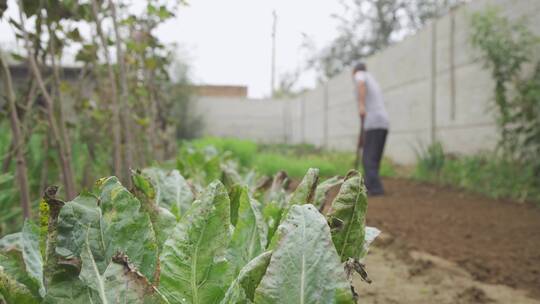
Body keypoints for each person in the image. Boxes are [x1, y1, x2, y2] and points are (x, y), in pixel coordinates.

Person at [353, 62, 389, 196]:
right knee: (374, 158)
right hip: (383, 123)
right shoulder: (373, 80)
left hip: (373, 122)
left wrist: (361, 105)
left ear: (355, 71)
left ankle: (375, 188)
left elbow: (360, 84)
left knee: (368, 158)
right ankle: (370, 184)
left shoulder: (360, 75)